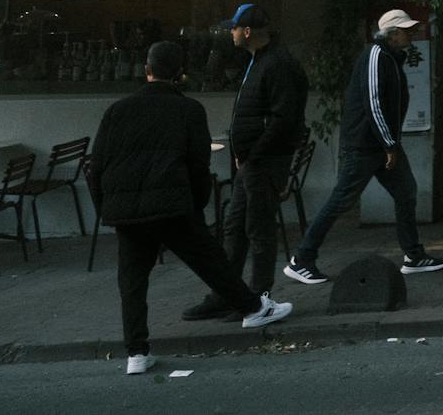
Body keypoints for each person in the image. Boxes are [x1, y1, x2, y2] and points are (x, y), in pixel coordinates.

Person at [88, 41, 291, 375]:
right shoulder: (189, 110)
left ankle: (136, 352)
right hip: (171, 204)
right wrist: (196, 205)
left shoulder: (117, 110)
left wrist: (107, 208)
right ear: (180, 73)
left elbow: (97, 167)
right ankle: (253, 307)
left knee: (132, 281)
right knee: (210, 261)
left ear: (146, 70)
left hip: (127, 209)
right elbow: (199, 167)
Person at [283, 10, 443, 286]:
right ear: (392, 34)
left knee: (405, 192)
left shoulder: (390, 58)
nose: (411, 34)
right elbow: (374, 103)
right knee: (341, 201)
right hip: (366, 146)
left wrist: (389, 144)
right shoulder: (377, 56)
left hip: (378, 145)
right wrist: (389, 144)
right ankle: (301, 259)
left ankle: (414, 256)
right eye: (406, 30)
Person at [186, 3, 307, 321]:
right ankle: (228, 295)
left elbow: (284, 117)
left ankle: (258, 299)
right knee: (235, 226)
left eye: (234, 28)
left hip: (262, 162)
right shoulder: (259, 61)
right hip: (252, 161)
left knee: (258, 228)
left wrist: (253, 152)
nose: (231, 33)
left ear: (248, 31)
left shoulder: (275, 64)